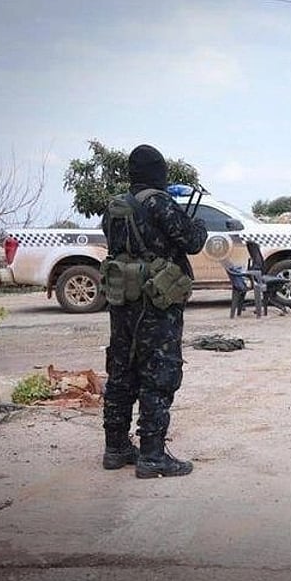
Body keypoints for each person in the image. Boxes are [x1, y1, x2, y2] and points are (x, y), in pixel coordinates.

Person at [100, 144, 208, 478]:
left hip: (122, 303)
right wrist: (199, 225)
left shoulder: (115, 208)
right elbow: (192, 242)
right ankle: (152, 456)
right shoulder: (160, 203)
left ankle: (116, 448)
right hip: (157, 304)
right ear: (158, 172)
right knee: (159, 373)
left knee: (121, 371)